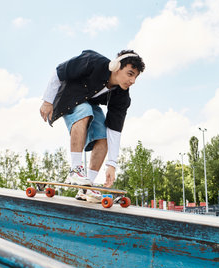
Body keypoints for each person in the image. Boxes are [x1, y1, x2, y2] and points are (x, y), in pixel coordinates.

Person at [39, 49, 145, 202]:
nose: (133, 81)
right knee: (85, 110)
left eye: (135, 77)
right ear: (116, 66)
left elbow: (114, 131)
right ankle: (75, 169)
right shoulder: (92, 61)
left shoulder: (122, 96)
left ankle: (87, 187)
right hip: (67, 98)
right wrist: (47, 101)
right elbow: (60, 71)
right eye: (130, 74)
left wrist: (112, 164)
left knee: (103, 136)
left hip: (88, 103)